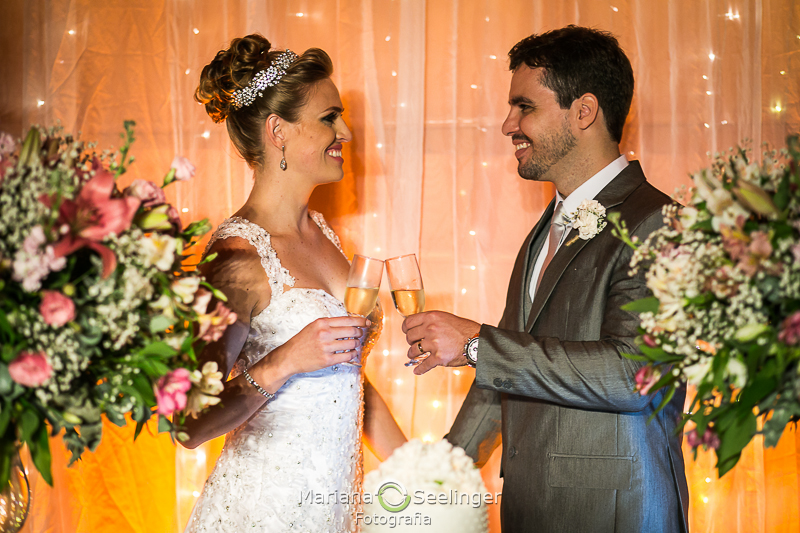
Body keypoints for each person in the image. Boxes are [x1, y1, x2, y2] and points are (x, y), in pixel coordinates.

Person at [402, 26, 689, 532]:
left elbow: (635, 375)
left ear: (583, 111)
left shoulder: (658, 221)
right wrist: (434, 484)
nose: (507, 123)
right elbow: (506, 370)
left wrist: (475, 344)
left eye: (524, 107)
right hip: (530, 511)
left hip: (615, 513)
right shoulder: (544, 228)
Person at [181, 34, 406, 532]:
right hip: (262, 513)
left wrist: (422, 475)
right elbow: (188, 424)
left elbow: (348, 382)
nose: (345, 131)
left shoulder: (323, 234)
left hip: (332, 509)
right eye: (329, 117)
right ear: (278, 131)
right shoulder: (236, 256)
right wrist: (284, 360)